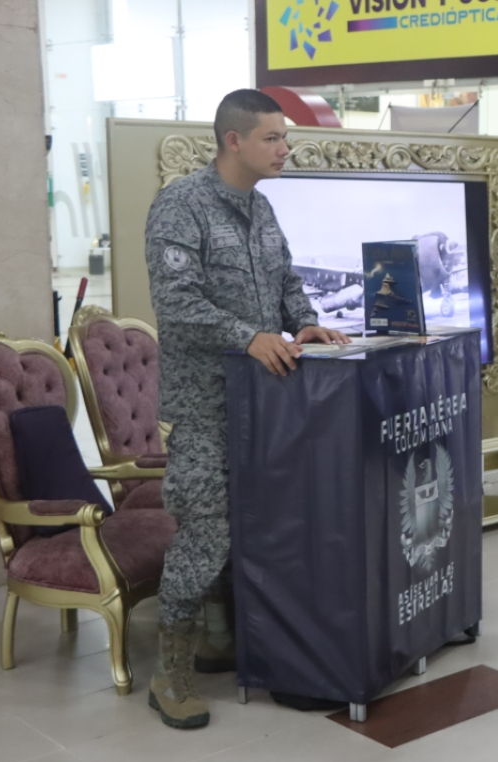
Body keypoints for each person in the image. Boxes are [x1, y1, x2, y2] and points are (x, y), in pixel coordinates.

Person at [145, 89, 349, 729]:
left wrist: (306, 324)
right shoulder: (181, 206)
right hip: (204, 407)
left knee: (256, 523)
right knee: (206, 532)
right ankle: (169, 674)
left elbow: (287, 280)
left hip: (264, 406)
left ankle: (221, 640)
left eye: (285, 138)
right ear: (234, 140)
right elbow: (176, 301)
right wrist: (250, 337)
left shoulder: (262, 210)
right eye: (272, 138)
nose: (285, 148)